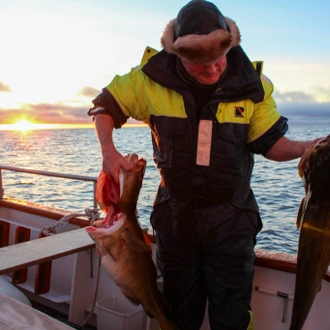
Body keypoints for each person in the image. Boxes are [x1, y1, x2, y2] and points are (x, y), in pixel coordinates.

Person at [88, 1, 321, 329]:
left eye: (218, 59)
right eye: (200, 64)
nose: (212, 69)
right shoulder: (149, 78)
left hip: (232, 219)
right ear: (178, 55)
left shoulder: (252, 83)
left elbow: (271, 143)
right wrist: (108, 152)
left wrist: (306, 147)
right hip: (174, 218)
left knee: (233, 315)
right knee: (180, 313)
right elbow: (104, 107)